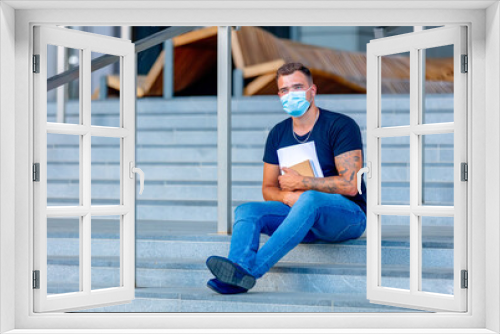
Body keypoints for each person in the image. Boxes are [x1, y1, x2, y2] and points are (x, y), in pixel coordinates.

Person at [205, 62, 367, 294]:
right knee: (247, 210)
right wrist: (287, 197)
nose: (291, 94)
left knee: (310, 199)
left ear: (313, 90)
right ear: (279, 95)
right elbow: (268, 188)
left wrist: (301, 184)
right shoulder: (278, 133)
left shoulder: (341, 126)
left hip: (347, 217)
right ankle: (236, 271)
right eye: (284, 90)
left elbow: (350, 186)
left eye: (298, 87)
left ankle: (249, 272)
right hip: (301, 216)